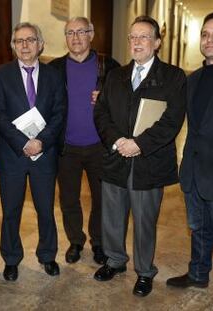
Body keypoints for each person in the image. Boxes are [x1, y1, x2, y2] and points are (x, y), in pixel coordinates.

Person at [93, 16, 186, 297]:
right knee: (111, 215)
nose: (137, 42)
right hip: (116, 156)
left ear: (157, 43)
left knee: (144, 220)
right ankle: (115, 260)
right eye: (133, 37)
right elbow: (101, 113)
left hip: (149, 161)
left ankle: (144, 271)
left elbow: (172, 121)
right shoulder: (115, 75)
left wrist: (139, 144)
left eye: (144, 37)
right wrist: (118, 140)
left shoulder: (173, 77)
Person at [0, 22, 65, 281]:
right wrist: (22, 142)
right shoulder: (0, 75)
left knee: (45, 209)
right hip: (12, 154)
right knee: (11, 210)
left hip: (44, 155)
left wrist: (41, 142)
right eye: (19, 41)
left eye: (31, 40)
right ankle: (11, 258)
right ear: (12, 46)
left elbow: (59, 114)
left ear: (40, 44)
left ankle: (48, 255)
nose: (25, 45)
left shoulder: (54, 76)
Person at [49, 16, 120, 265]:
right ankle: (75, 241)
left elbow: (125, 103)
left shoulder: (109, 66)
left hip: (99, 146)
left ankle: (98, 242)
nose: (76, 38)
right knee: (68, 198)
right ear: (65, 37)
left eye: (81, 32)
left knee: (102, 198)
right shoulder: (55, 68)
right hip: (66, 147)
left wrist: (107, 98)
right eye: (70, 33)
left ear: (91, 34)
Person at [166, 12, 213, 289]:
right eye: (205, 34)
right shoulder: (192, 79)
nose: (209, 40)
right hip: (195, 170)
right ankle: (197, 274)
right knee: (199, 227)